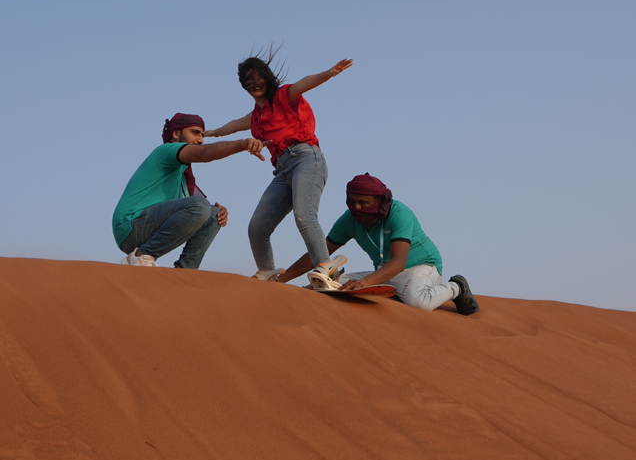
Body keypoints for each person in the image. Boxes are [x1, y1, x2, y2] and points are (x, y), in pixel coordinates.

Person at [204, 49, 353, 281]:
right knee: (257, 227)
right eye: (249, 80)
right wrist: (213, 132)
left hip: (306, 158)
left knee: (304, 215)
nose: (255, 83)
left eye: (258, 77)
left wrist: (329, 73)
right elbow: (234, 125)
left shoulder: (284, 96)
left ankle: (327, 270)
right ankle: (268, 273)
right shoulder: (255, 116)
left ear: (267, 77)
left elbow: (304, 83)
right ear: (244, 86)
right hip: (282, 170)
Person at [279, 173, 480, 315]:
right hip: (384, 272)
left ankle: (456, 287)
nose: (356, 207)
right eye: (352, 201)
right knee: (327, 287)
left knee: (418, 302)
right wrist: (282, 279)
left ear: (378, 201)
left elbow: (399, 262)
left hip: (421, 267)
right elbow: (319, 253)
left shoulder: (399, 213)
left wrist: (365, 282)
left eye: (363, 203)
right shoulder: (349, 219)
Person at [112, 113, 268, 268]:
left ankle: (185, 272)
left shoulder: (181, 173)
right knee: (201, 206)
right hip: (130, 227)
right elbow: (203, 153)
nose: (200, 140)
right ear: (175, 133)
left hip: (147, 226)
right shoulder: (166, 150)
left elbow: (197, 208)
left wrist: (215, 211)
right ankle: (141, 257)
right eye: (195, 133)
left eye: (202, 135)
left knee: (214, 214)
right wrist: (241, 144)